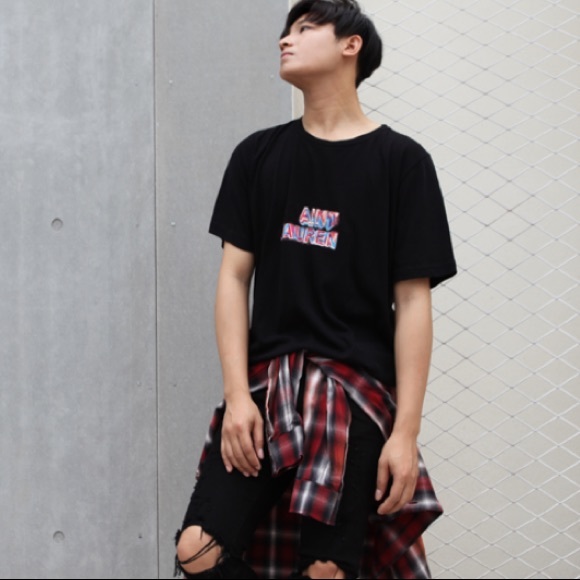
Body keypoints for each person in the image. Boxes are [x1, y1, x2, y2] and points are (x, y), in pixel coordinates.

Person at [174, 1, 457, 578]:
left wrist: (405, 432)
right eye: (287, 29)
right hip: (268, 387)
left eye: (305, 28)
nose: (286, 39)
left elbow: (413, 303)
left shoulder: (402, 163)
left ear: (352, 45)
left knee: (327, 569)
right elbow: (233, 278)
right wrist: (236, 396)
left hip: (355, 394)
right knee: (197, 550)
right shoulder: (257, 155)